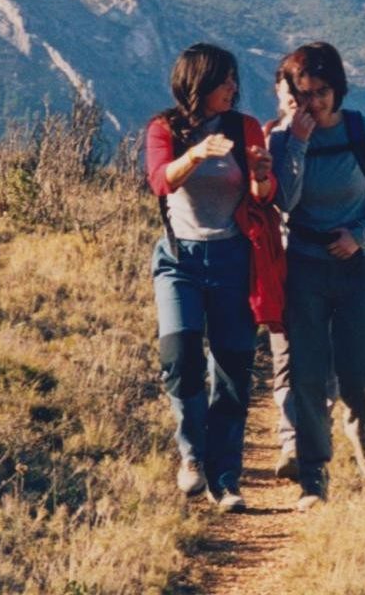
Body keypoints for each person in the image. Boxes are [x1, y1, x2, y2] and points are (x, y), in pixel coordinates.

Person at [267, 42, 365, 511]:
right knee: (307, 373)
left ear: (337, 89)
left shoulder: (364, 132)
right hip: (304, 264)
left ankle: (361, 430)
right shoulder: (282, 139)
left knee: (359, 372)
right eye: (304, 94)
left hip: (358, 267)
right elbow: (284, 200)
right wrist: (298, 142)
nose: (314, 103)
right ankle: (313, 476)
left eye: (322, 92)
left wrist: (359, 236)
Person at [145, 43, 274, 512]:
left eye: (234, 80)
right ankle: (192, 454)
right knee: (179, 358)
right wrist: (197, 153)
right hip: (179, 260)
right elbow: (161, 181)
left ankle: (226, 478)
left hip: (233, 259)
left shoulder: (245, 127)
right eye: (224, 80)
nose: (233, 88)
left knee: (233, 369)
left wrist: (262, 176)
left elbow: (263, 196)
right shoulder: (164, 128)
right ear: (197, 82)